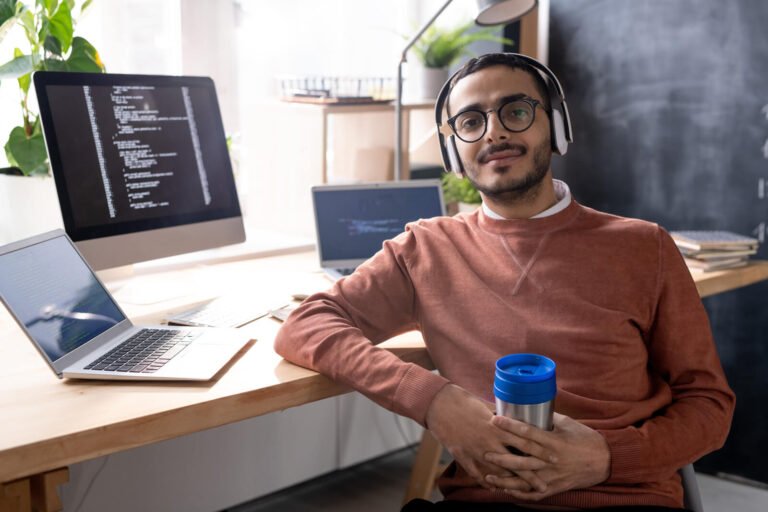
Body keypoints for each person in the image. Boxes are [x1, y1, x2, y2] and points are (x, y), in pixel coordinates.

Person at [274, 53, 735, 511]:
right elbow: (306, 324)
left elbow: (708, 404)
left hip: (622, 499)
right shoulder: (425, 249)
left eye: (515, 112)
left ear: (556, 126)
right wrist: (433, 400)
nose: (493, 132)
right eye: (471, 121)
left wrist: (608, 457)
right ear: (454, 150)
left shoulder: (644, 247)